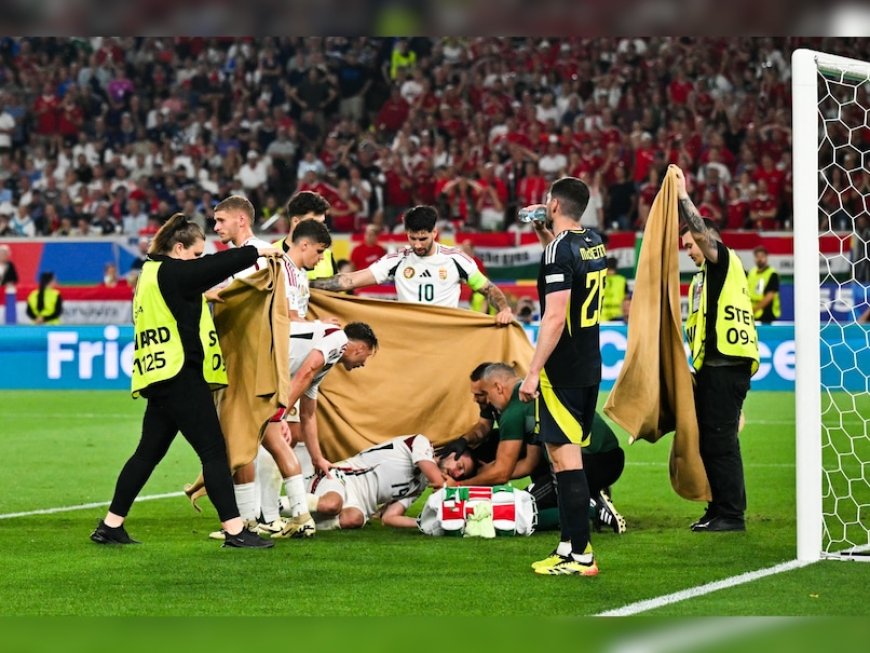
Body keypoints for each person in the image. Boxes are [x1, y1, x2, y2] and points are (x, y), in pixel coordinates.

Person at [90, 213, 280, 548]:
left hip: (158, 375)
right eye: (195, 254)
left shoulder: (149, 274)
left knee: (147, 453)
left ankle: (110, 525)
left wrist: (204, 297)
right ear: (178, 248)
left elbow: (176, 296)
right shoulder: (175, 272)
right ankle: (235, 531)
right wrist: (258, 252)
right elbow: (213, 267)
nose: (198, 260)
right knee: (213, 451)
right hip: (180, 374)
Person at [211, 194, 320, 540]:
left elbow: (263, 306)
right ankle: (285, 515)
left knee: (242, 435)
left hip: (254, 362)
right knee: (270, 438)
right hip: (256, 359)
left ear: (241, 220)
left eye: (221, 221)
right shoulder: (275, 259)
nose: (216, 228)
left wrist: (210, 295)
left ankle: (254, 519)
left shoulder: (259, 256)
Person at [517, 176, 606, 576]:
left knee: (565, 459)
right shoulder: (593, 240)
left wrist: (533, 371)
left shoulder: (558, 249)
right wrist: (545, 238)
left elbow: (554, 316)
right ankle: (569, 546)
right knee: (562, 456)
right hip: (588, 362)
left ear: (553, 204)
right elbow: (569, 274)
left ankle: (581, 556)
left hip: (562, 367)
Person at [674, 164, 759, 533]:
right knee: (710, 440)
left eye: (690, 245)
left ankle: (731, 514)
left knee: (721, 442)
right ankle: (717, 507)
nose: (688, 251)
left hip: (727, 366)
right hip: (713, 366)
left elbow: (702, 235)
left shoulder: (723, 261)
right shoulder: (704, 279)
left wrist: (681, 195)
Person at [242, 321, 380, 538]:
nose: (363, 363)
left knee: (252, 446)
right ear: (360, 348)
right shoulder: (337, 339)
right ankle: (272, 518)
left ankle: (260, 519)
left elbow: (308, 414)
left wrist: (318, 459)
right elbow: (305, 371)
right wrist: (281, 414)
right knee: (253, 445)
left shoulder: (326, 358)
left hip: (262, 371)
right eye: (367, 356)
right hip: (252, 362)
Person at [454, 363, 625, 534]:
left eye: (486, 395)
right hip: (609, 458)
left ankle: (594, 508)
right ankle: (591, 493)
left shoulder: (514, 411)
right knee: (538, 484)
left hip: (587, 463)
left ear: (498, 388)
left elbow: (502, 473)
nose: (488, 401)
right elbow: (530, 462)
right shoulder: (535, 393)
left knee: (522, 507)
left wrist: (459, 485)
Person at [311, 205, 514, 325]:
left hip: (446, 333)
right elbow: (349, 280)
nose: (417, 244)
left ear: (434, 233)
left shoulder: (456, 259)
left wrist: (504, 309)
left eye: (423, 238)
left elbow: (488, 289)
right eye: (412, 238)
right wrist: (307, 282)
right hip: (410, 332)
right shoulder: (397, 259)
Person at [294, 434, 475, 530]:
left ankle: (299, 523)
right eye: (459, 465)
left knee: (355, 520)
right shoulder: (420, 442)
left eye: (461, 474)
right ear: (452, 452)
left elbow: (389, 518)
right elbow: (436, 479)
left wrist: (425, 524)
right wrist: (447, 489)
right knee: (332, 505)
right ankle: (279, 507)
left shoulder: (419, 485)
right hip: (340, 478)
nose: (456, 473)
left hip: (360, 505)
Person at [274, 190, 336, 280]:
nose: (319, 228)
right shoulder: (271, 256)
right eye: (313, 223)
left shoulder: (326, 255)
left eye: (322, 223)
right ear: (295, 221)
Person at [746, 246, 781, 324]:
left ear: (766, 258)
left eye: (762, 256)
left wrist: (754, 310)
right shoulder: (751, 273)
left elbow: (769, 296)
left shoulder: (772, 274)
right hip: (751, 313)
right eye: (757, 256)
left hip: (766, 314)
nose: (760, 259)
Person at [601, 257, 628, 322]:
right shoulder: (622, 280)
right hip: (618, 316)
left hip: (602, 317)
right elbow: (626, 298)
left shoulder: (600, 279)